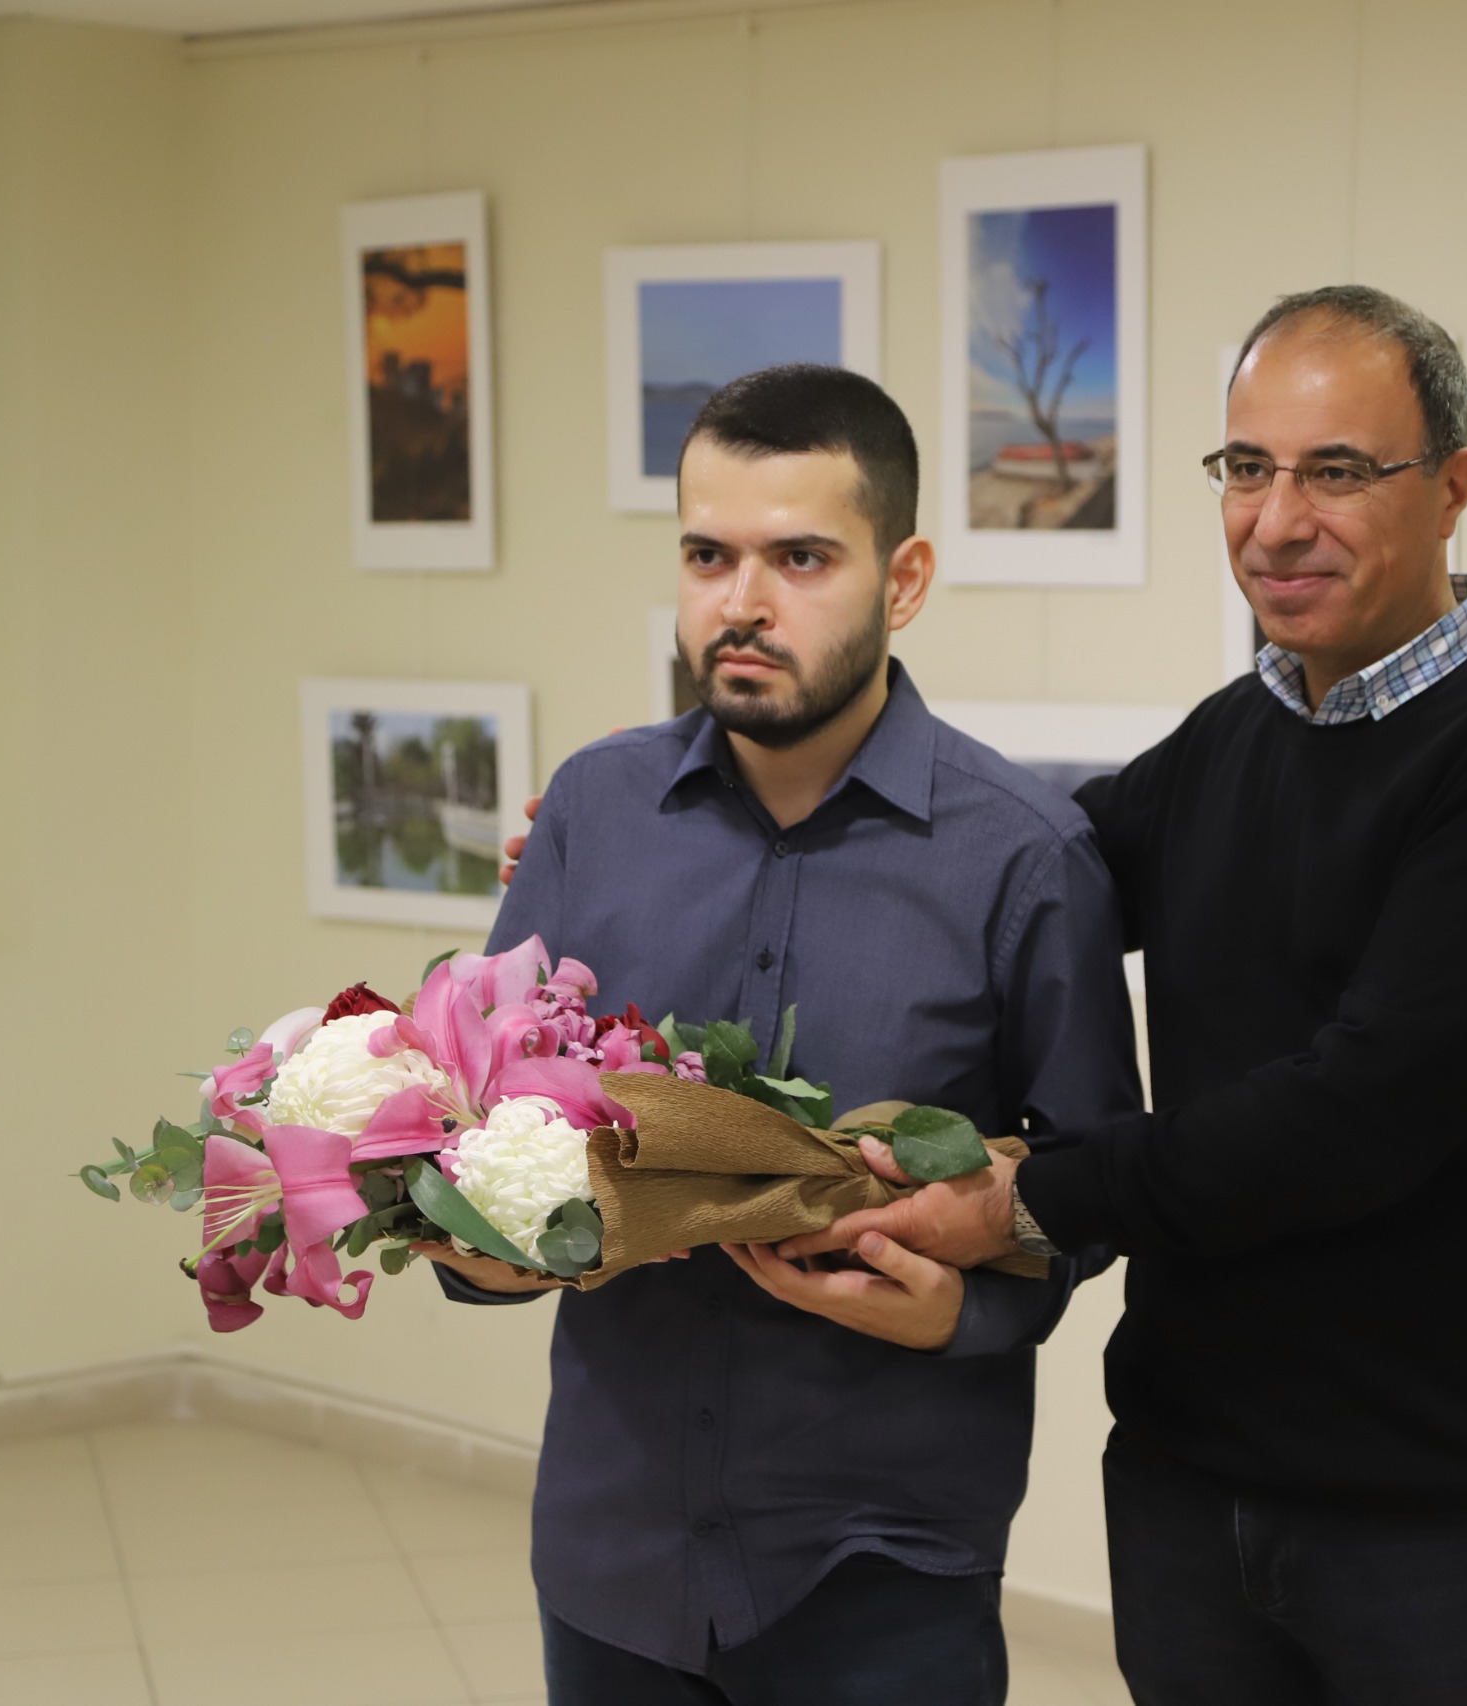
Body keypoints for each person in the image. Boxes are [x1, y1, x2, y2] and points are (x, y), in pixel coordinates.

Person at [786, 287, 1467, 1706]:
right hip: (1191, 1486)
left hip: (1445, 1519)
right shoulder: (1235, 733)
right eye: (1248, 467)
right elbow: (1019, 884)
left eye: (1336, 471)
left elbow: (1355, 1114)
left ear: (1454, 488)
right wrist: (716, 829)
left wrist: (1024, 1197)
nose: (1276, 520)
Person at [435, 363, 1140, 1706]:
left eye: (801, 558)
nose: (742, 602)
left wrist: (970, 1312)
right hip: (614, 1553)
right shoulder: (593, 811)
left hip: (882, 1568)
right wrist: (475, 1244)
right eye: (708, 554)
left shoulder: (1024, 858)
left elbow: (1094, 1184)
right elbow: (482, 1111)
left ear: (905, 578)